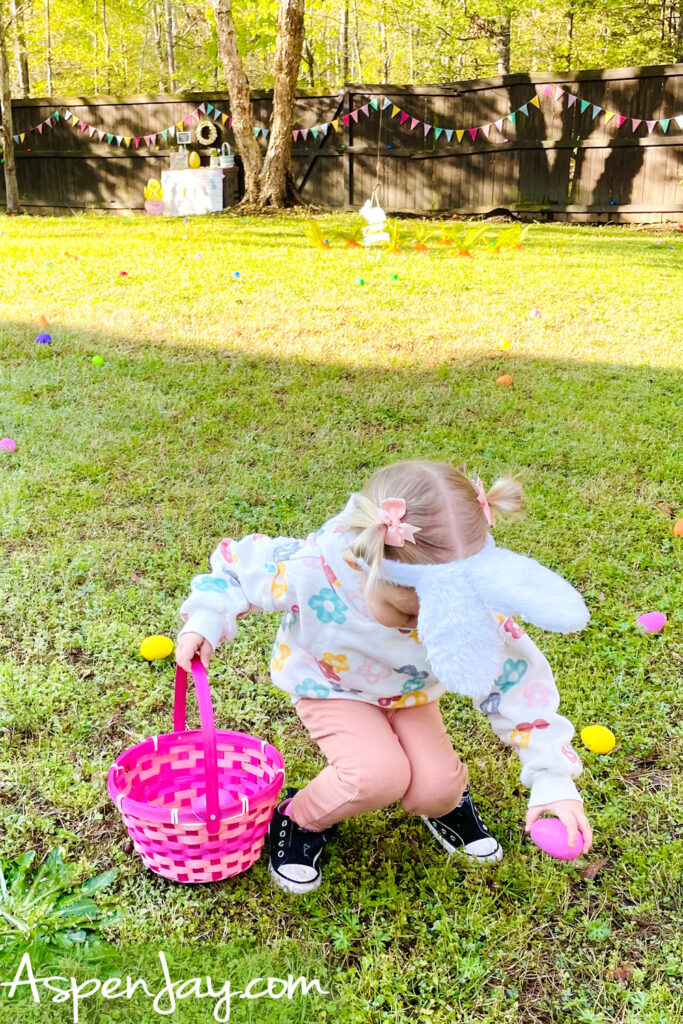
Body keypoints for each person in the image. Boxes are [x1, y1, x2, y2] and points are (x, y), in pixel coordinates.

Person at [176, 460, 593, 894]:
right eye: (409, 614)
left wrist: (552, 778)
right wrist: (207, 618)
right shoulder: (314, 566)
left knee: (437, 790)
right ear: (364, 566)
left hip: (410, 694)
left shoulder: (468, 601)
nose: (421, 629)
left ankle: (447, 803)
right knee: (376, 776)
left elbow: (518, 685)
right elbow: (236, 567)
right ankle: (299, 817)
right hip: (332, 686)